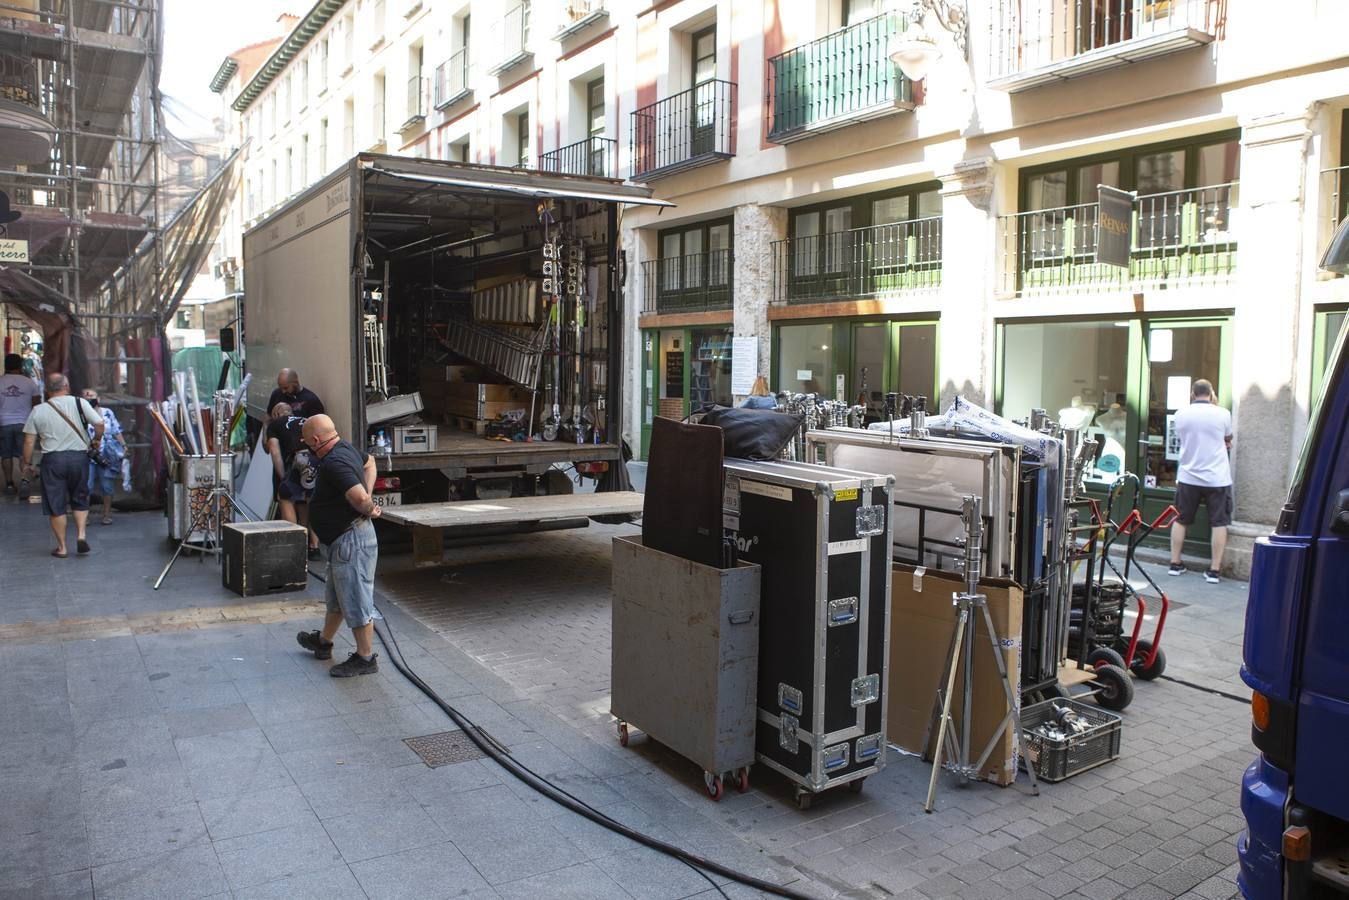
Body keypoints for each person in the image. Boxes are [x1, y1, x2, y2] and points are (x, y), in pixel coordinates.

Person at [294, 414, 382, 677]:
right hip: (343, 541)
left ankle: (365, 658)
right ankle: (323, 641)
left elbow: (357, 498)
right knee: (337, 597)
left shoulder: (335, 463)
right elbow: (371, 462)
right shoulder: (345, 447)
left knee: (355, 599)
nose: (307, 447)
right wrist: (367, 495)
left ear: (316, 440)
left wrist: (368, 504)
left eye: (307, 442)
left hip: (352, 541)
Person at [21, 373, 103, 557]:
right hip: (78, 458)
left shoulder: (38, 410)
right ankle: (81, 535)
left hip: (53, 460)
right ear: (67, 386)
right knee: (80, 496)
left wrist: (27, 463)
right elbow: (99, 423)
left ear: (46, 390)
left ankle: (62, 547)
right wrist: (97, 440)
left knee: (55, 503)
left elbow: (28, 441)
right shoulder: (79, 403)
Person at [1168, 378, 1233, 584]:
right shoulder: (1223, 413)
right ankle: (1214, 570)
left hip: (1189, 475)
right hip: (1217, 477)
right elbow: (1228, 437)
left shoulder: (1181, 414)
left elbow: (1182, 436)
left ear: (1192, 394)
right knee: (1219, 522)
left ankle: (1175, 563)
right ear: (1212, 393)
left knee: (1181, 519)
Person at [266, 401, 320, 559]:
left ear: (276, 414)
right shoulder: (305, 420)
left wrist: (283, 479)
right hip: (316, 459)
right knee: (309, 500)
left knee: (285, 497)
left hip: (299, 458)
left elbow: (274, 453)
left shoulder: (275, 424)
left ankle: (296, 545)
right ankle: (314, 547)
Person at [82, 388, 125, 526]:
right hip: (87, 456)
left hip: (106, 454)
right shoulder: (80, 415)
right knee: (86, 487)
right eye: (86, 396)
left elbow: (116, 430)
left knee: (107, 487)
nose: (89, 398)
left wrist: (123, 445)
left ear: (98, 399)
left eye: (92, 396)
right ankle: (85, 516)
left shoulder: (107, 413)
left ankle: (107, 515)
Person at [1, 353, 40, 493]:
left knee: (5, 455)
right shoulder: (29, 382)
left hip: (4, 423)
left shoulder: (1, 381)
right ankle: (24, 481)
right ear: (20, 365)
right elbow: (37, 404)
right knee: (23, 455)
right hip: (25, 423)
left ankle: (10, 484)